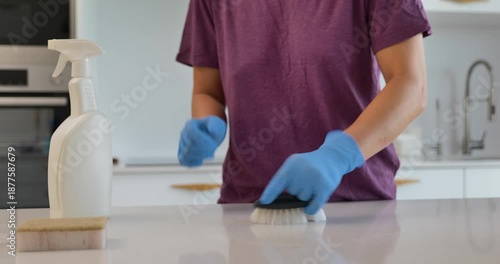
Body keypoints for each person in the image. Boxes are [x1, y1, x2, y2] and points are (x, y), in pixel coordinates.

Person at [176, 0, 432, 215]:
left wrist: (339, 155)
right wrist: (207, 124)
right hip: (249, 208)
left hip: (355, 206)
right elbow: (207, 91)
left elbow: (410, 85)